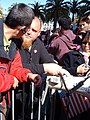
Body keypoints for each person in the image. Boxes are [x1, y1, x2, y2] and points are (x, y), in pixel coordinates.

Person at [15, 16, 71, 120]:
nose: (28, 32)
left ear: (39, 33)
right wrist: (43, 68)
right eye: (27, 28)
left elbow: (50, 63)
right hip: (15, 97)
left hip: (32, 99)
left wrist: (64, 70)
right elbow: (16, 67)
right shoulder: (14, 43)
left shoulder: (38, 44)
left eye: (33, 30)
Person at [0, 3, 42, 120]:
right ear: (22, 28)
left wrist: (28, 75)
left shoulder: (13, 44)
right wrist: (10, 80)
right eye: (28, 29)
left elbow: (15, 68)